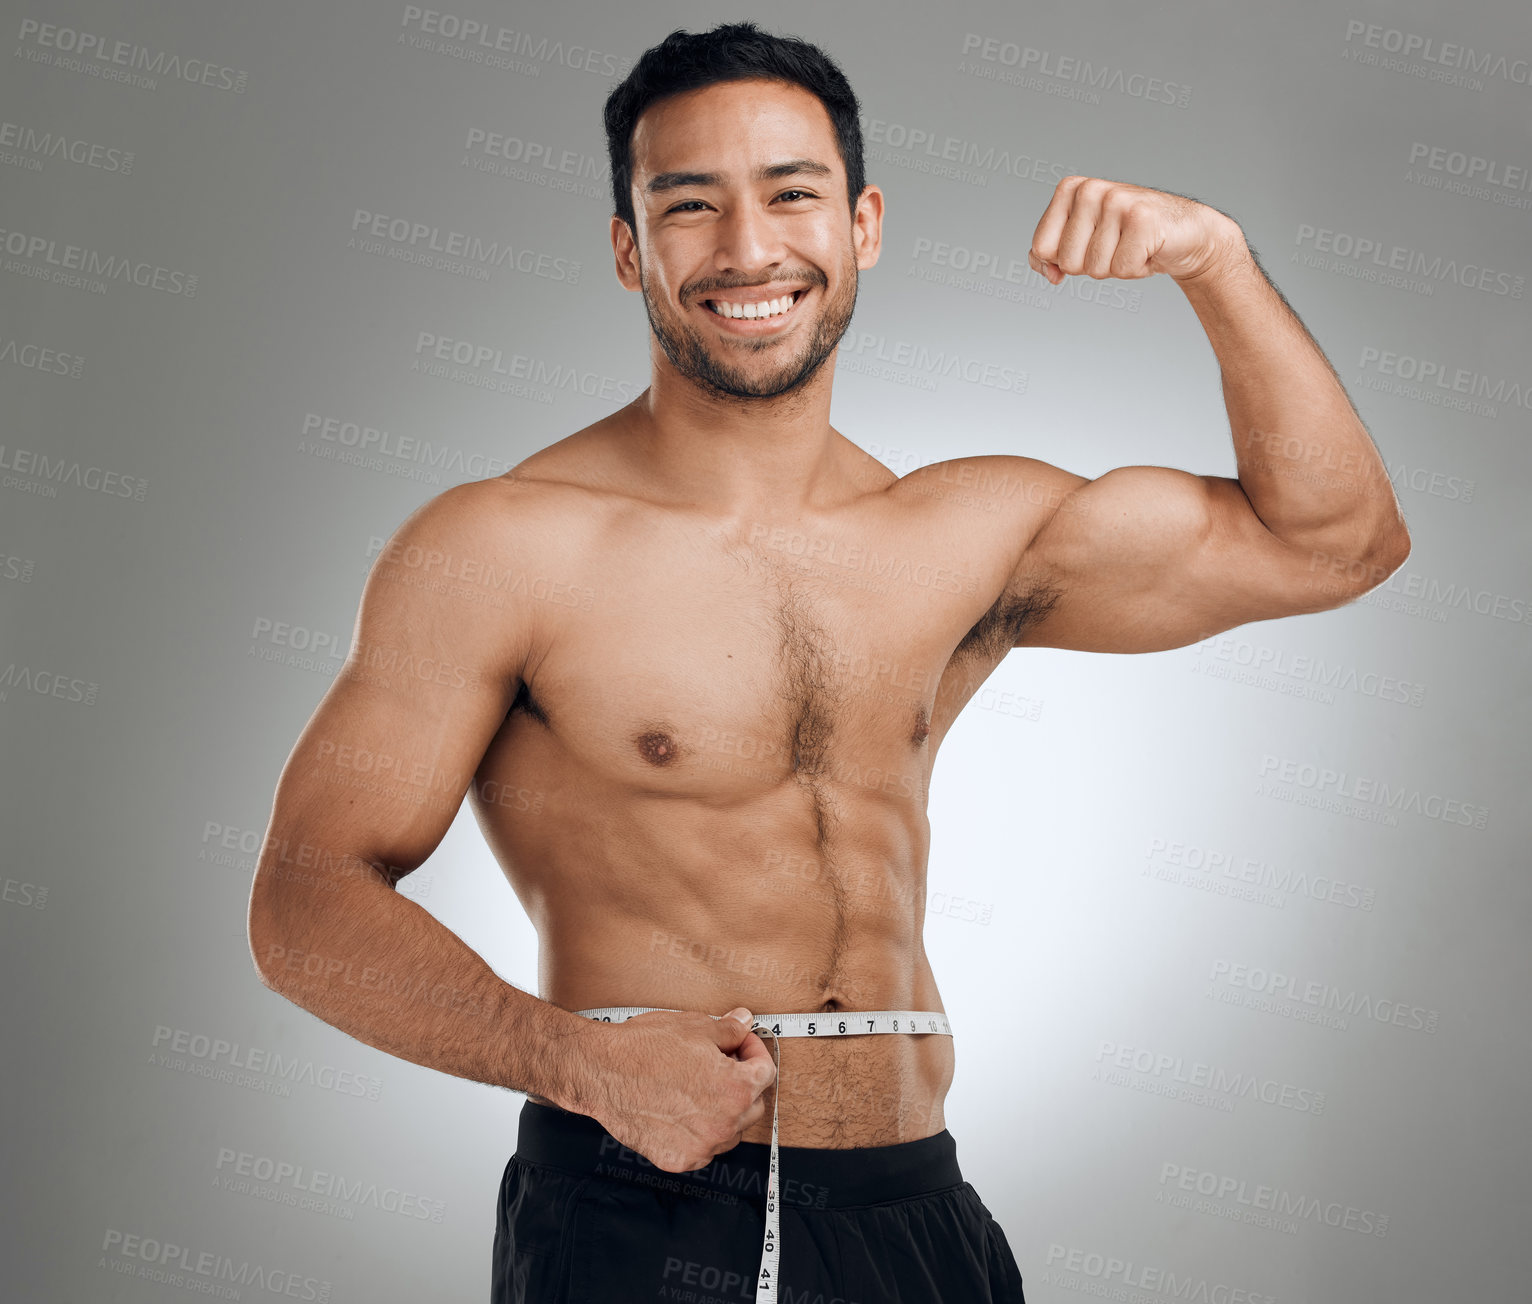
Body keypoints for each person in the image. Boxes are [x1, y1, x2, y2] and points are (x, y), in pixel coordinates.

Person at [245, 20, 1410, 1304]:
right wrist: (580, 1063)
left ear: (860, 224)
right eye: (688, 205)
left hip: (916, 1206)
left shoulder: (964, 531)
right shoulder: (503, 545)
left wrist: (1214, 261)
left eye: (789, 192)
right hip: (643, 1210)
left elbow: (1334, 544)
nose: (748, 249)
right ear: (629, 246)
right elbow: (306, 901)